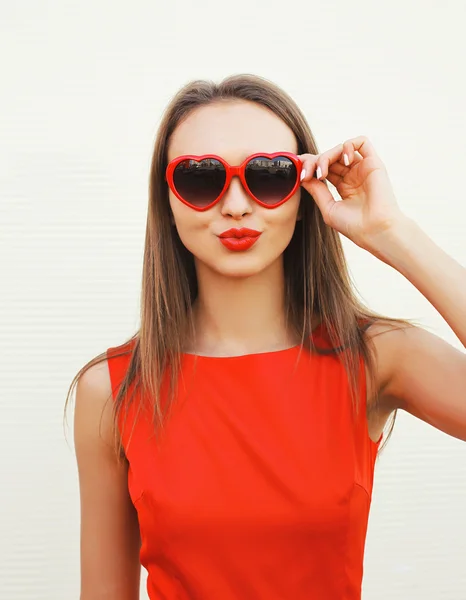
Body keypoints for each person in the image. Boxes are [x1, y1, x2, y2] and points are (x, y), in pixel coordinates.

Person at [66, 73, 466, 600]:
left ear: (304, 194)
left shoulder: (375, 358)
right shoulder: (113, 388)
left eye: (270, 175)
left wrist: (392, 231)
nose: (235, 205)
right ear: (167, 200)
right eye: (202, 178)